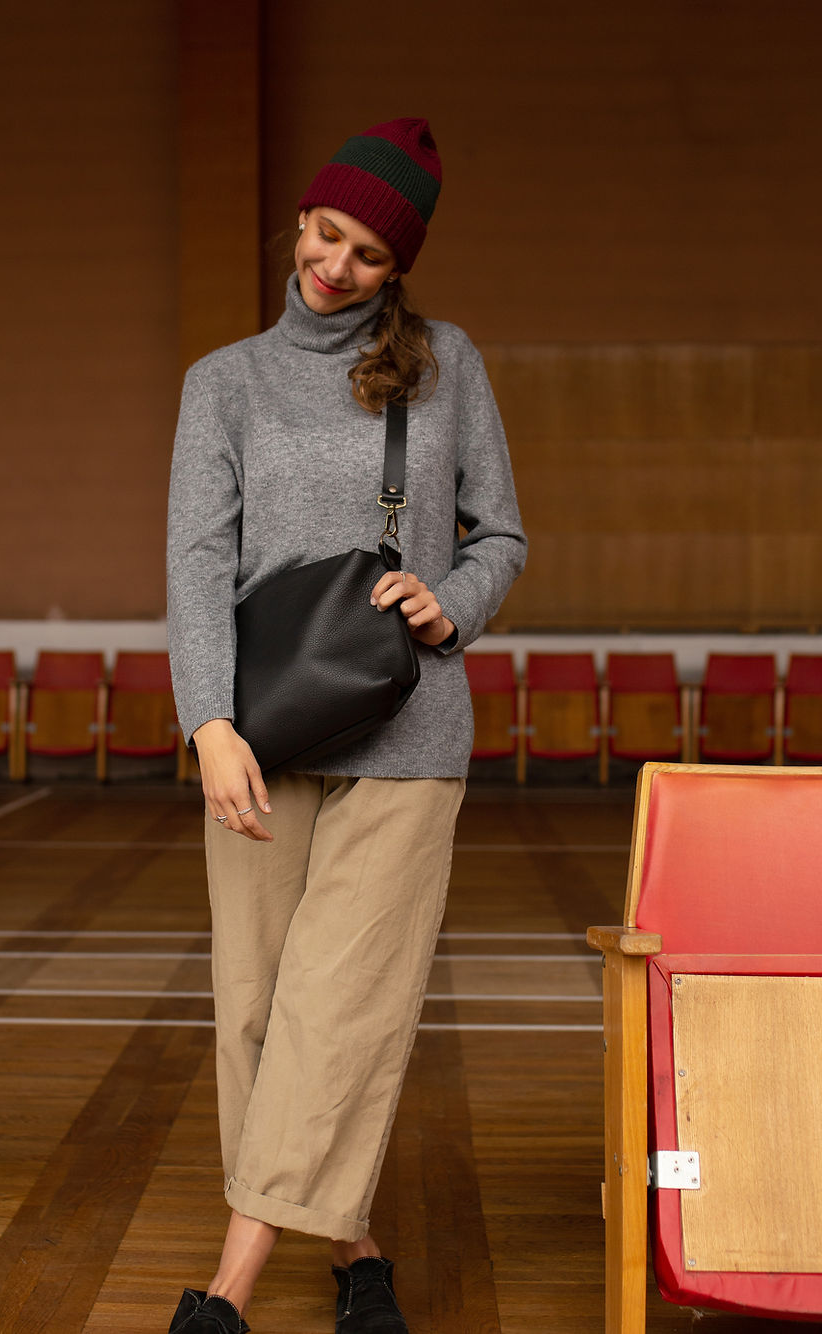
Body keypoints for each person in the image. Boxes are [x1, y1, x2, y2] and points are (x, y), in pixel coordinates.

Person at [166, 117, 526, 1334]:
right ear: (301, 223)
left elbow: (503, 535)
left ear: (398, 266)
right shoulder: (221, 383)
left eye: (369, 253)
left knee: (343, 999)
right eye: (327, 233)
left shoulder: (446, 364)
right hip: (263, 731)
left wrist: (452, 598)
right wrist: (208, 722)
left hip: (409, 727)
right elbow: (196, 564)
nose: (336, 265)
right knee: (258, 1003)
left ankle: (230, 1283)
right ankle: (358, 1248)